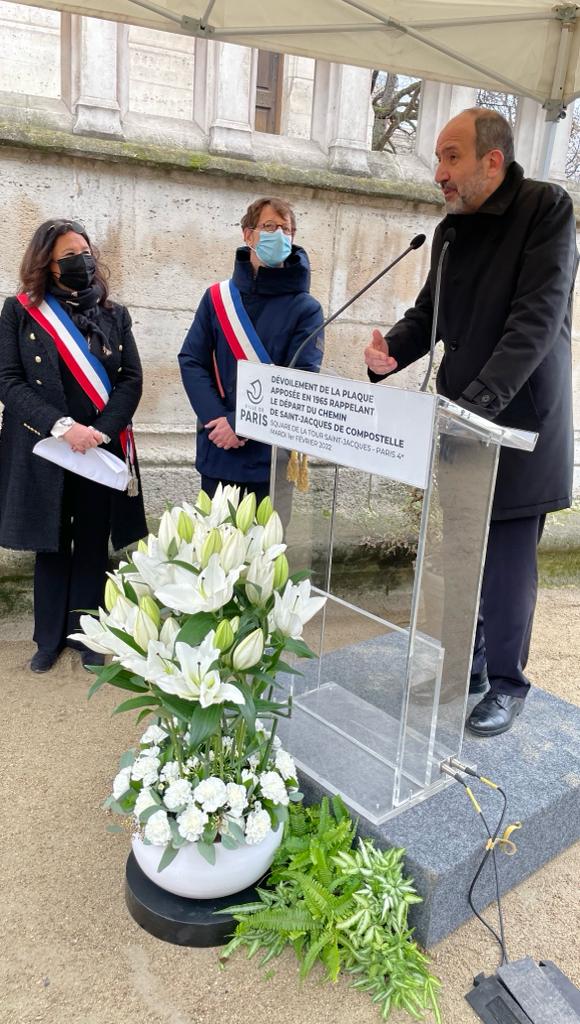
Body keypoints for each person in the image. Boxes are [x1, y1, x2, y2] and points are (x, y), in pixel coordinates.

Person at [364, 108, 578, 737]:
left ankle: (508, 684)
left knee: (507, 564)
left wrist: (474, 409)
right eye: (438, 158)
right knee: (459, 556)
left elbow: (536, 321)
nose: (439, 173)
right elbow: (429, 313)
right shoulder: (451, 231)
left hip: (518, 425)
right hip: (462, 426)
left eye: (451, 157)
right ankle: (466, 668)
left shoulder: (546, 210)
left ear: (493, 160)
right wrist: (391, 352)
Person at [0, 219, 147, 673]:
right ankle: (48, 639)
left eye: (84, 252)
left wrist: (100, 431)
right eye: (68, 255)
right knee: (51, 541)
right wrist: (63, 427)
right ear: (46, 262)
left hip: (98, 448)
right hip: (46, 446)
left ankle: (87, 635)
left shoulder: (114, 313)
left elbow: (130, 378)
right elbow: (8, 380)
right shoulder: (20, 311)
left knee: (92, 539)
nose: (80, 261)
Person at [178, 196, 324, 504]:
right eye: (269, 226)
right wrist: (217, 419)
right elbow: (192, 360)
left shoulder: (307, 309)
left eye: (286, 229)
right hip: (219, 443)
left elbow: (300, 380)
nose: (279, 235)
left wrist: (239, 424)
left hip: (270, 455)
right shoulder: (216, 298)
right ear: (248, 234)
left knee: (268, 537)